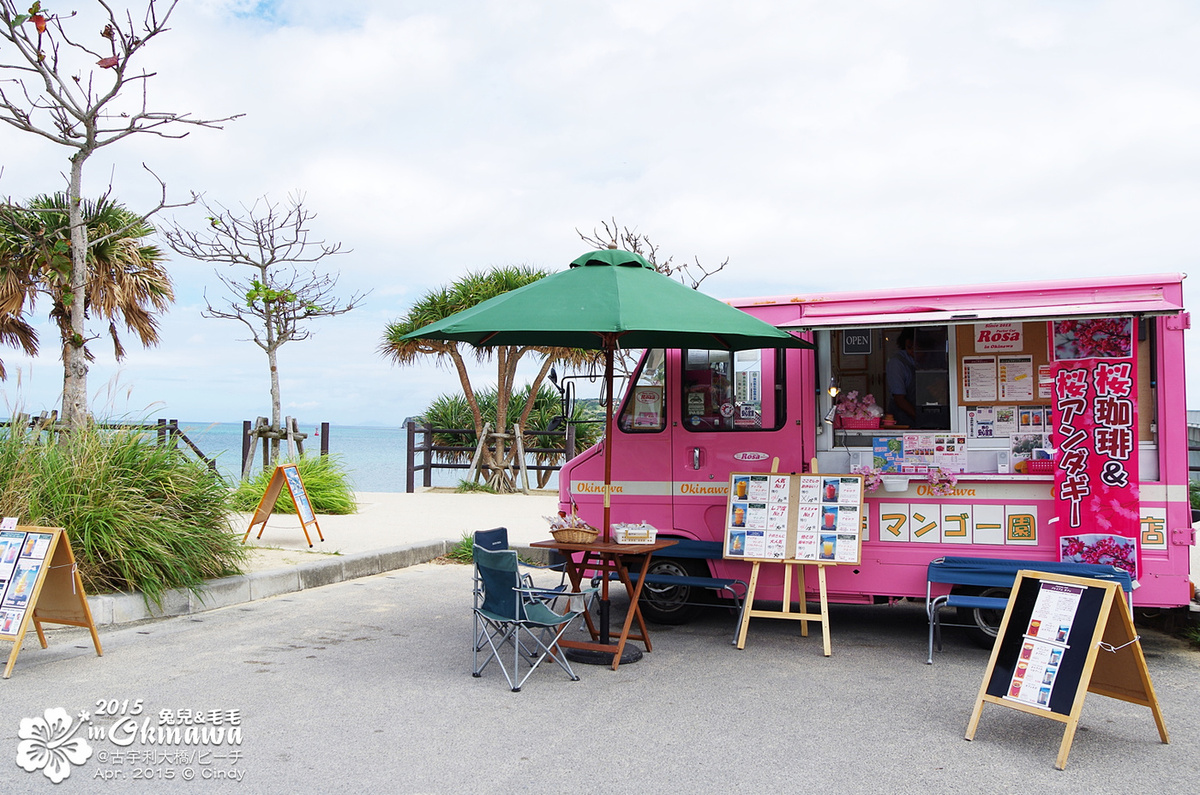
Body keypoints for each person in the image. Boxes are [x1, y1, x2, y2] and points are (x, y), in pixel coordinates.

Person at [886, 328, 918, 427]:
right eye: (909, 347)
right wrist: (919, 417)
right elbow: (899, 399)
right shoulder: (897, 363)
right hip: (903, 418)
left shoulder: (923, 361)